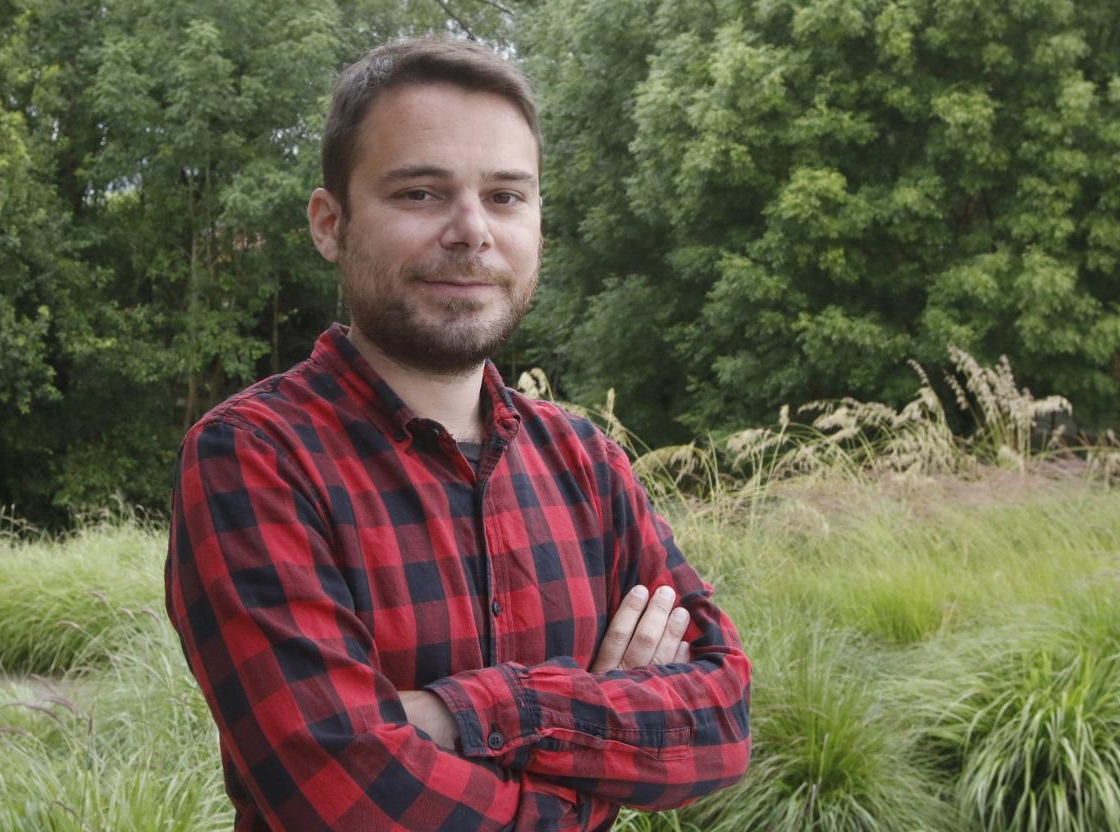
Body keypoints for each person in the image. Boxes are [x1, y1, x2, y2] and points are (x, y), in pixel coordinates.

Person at [165, 35, 751, 832]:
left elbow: (719, 725)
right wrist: (603, 761)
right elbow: (346, 799)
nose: (472, 231)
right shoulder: (254, 459)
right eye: (420, 193)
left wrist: (463, 713)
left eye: (507, 196)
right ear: (330, 224)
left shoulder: (586, 462)